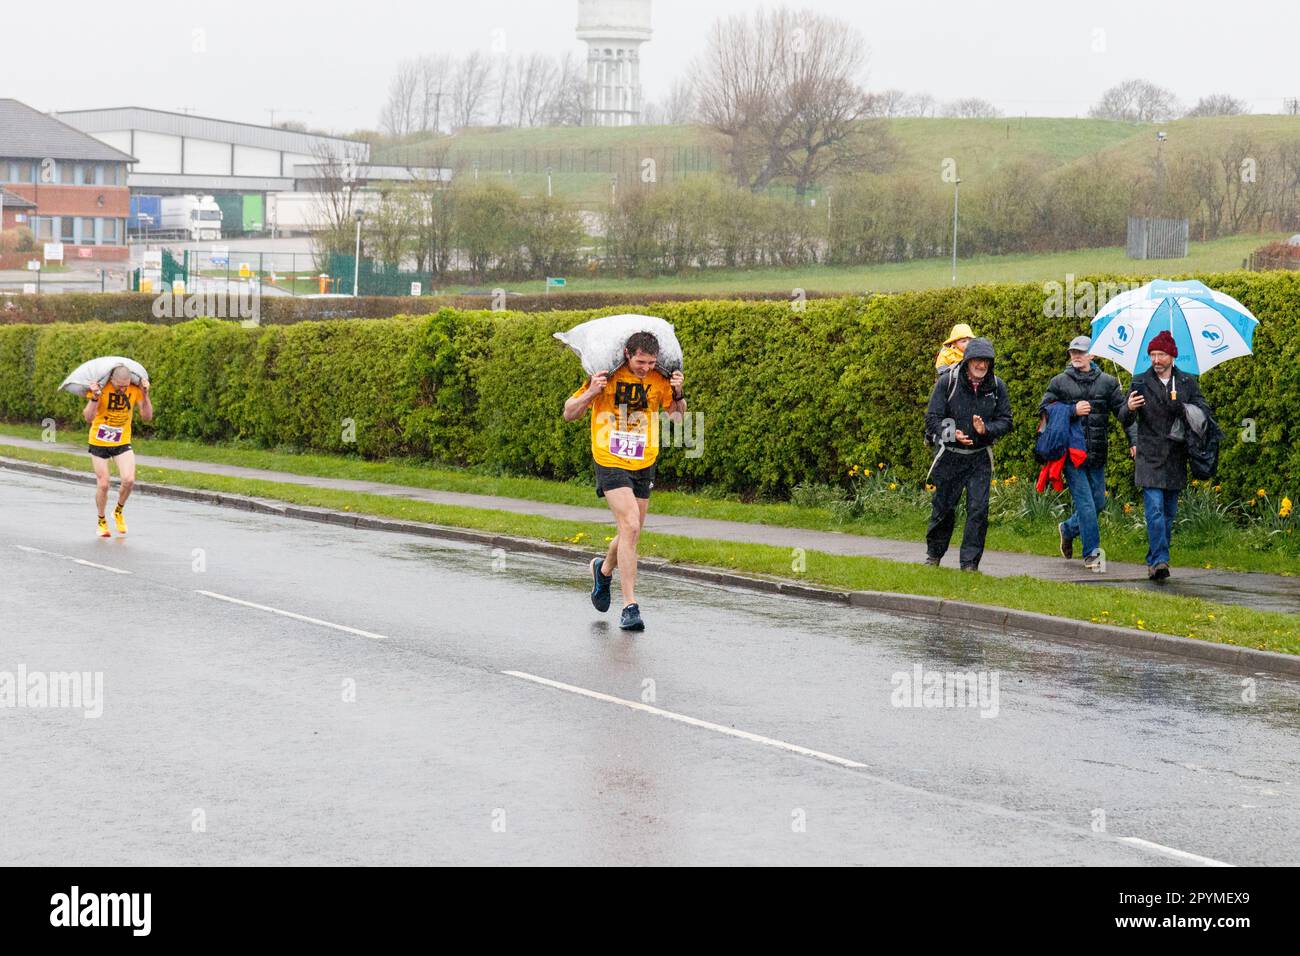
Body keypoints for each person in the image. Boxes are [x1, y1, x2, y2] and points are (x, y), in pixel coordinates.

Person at [563, 331, 685, 631]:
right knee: (630, 525)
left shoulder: (659, 379)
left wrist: (679, 394)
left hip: (644, 460)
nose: (645, 368)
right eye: (641, 361)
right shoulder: (607, 376)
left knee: (632, 531)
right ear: (628, 353)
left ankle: (603, 571)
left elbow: (678, 419)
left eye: (651, 362)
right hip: (609, 457)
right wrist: (592, 392)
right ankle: (630, 606)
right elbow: (569, 413)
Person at [1040, 335, 1137, 570]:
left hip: (1097, 453)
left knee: (1099, 502)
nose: (1076, 356)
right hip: (1072, 454)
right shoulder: (1059, 382)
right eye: (1073, 352)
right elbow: (1044, 410)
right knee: (1085, 504)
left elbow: (1123, 416)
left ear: (1092, 355)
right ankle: (1092, 557)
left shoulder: (1108, 382)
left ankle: (1068, 528)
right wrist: (1072, 410)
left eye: (1081, 352)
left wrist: (1131, 417)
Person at [1124, 330, 1212, 581]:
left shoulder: (1186, 382)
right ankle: (1161, 560)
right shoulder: (1139, 381)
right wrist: (1128, 408)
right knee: (1153, 510)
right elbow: (1124, 417)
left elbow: (1204, 411)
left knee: (1168, 513)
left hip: (1175, 456)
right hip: (1149, 455)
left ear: (1172, 356)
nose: (1156, 359)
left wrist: (1183, 408)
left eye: (1161, 354)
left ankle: (1154, 560)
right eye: (1152, 354)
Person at [923, 337, 1013, 571]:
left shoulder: (996, 386)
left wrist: (987, 429)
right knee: (943, 508)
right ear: (967, 361)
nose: (981, 365)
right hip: (950, 455)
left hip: (979, 457)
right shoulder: (947, 382)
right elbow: (932, 419)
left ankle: (969, 564)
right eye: (977, 360)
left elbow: (1006, 421)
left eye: (986, 361)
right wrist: (953, 434)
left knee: (978, 509)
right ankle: (934, 555)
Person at [84, 365, 152, 537]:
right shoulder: (101, 389)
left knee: (129, 480)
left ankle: (118, 511)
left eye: (126, 385)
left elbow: (147, 417)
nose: (123, 389)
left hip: (122, 439)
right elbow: (88, 418)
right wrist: (94, 398)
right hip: (99, 440)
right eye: (119, 386)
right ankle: (101, 520)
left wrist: (145, 393)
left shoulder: (134, 390)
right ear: (112, 380)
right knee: (104, 483)